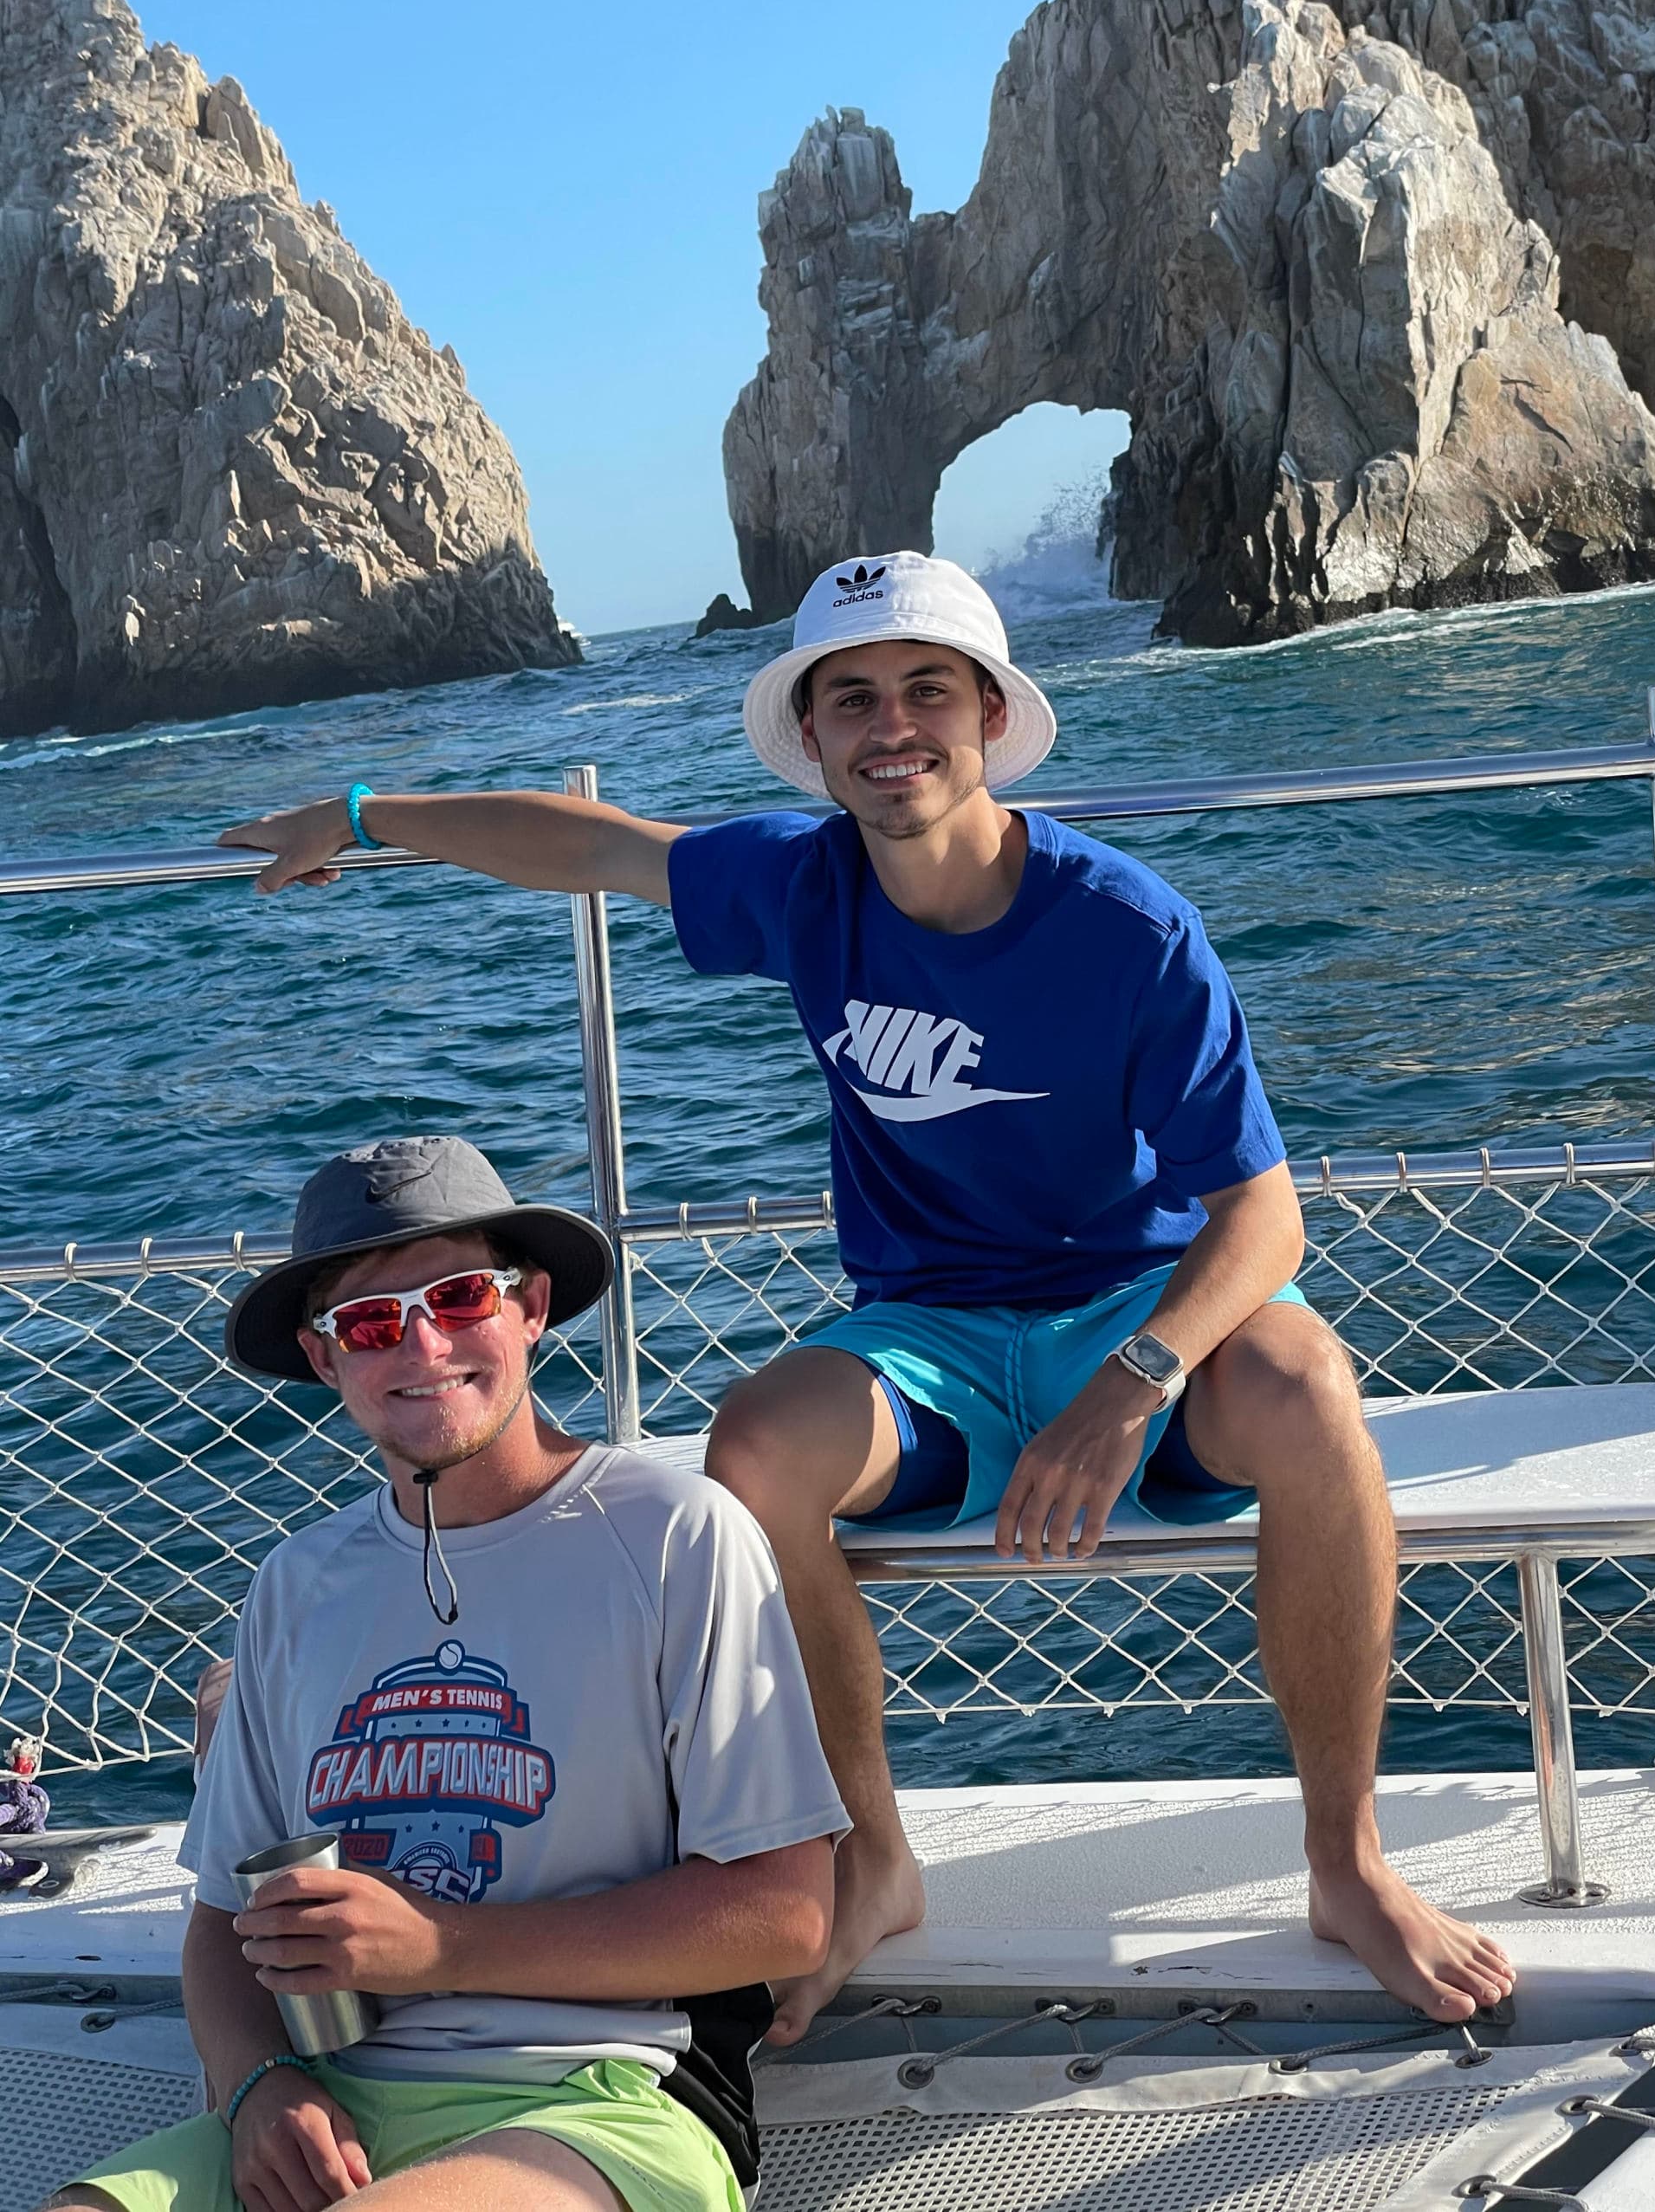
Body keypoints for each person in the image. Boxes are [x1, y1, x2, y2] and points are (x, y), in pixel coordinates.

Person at [218, 552, 1516, 2047]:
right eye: (853, 700)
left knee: (1308, 1394)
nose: (890, 726)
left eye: (924, 692)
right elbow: (590, 844)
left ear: (987, 717)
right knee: (758, 1446)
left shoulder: (1127, 924)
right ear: (818, 741)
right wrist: (367, 819)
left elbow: (1264, 1214)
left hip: (1135, 1305)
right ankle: (871, 1854)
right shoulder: (802, 881)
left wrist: (1132, 1381)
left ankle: (1345, 1861)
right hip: (927, 1331)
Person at [45, 1135, 846, 2212]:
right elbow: (221, 1922)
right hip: (321, 2096)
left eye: (461, 1296)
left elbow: (781, 1916)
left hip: (603, 2099)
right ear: (327, 1360)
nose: (422, 1344)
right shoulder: (297, 1582)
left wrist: (436, 1946)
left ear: (530, 1308)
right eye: (371, 1322)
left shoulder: (675, 1535)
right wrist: (255, 2084)